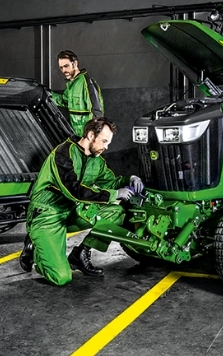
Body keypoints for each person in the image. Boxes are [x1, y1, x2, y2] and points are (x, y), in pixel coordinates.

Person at [18, 117, 144, 286]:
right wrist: (115, 195)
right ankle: (34, 247)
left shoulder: (96, 160)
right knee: (61, 277)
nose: (106, 147)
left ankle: (80, 254)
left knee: (116, 213)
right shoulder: (63, 154)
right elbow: (74, 191)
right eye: (104, 141)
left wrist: (130, 178)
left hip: (72, 211)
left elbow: (110, 182)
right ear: (91, 135)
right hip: (47, 214)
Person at [50, 50, 104, 137]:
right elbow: (64, 101)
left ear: (74, 63)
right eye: (61, 67)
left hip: (87, 136)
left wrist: (91, 136)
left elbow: (96, 111)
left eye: (66, 66)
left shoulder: (86, 82)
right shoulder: (72, 84)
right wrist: (47, 94)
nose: (64, 70)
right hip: (76, 134)